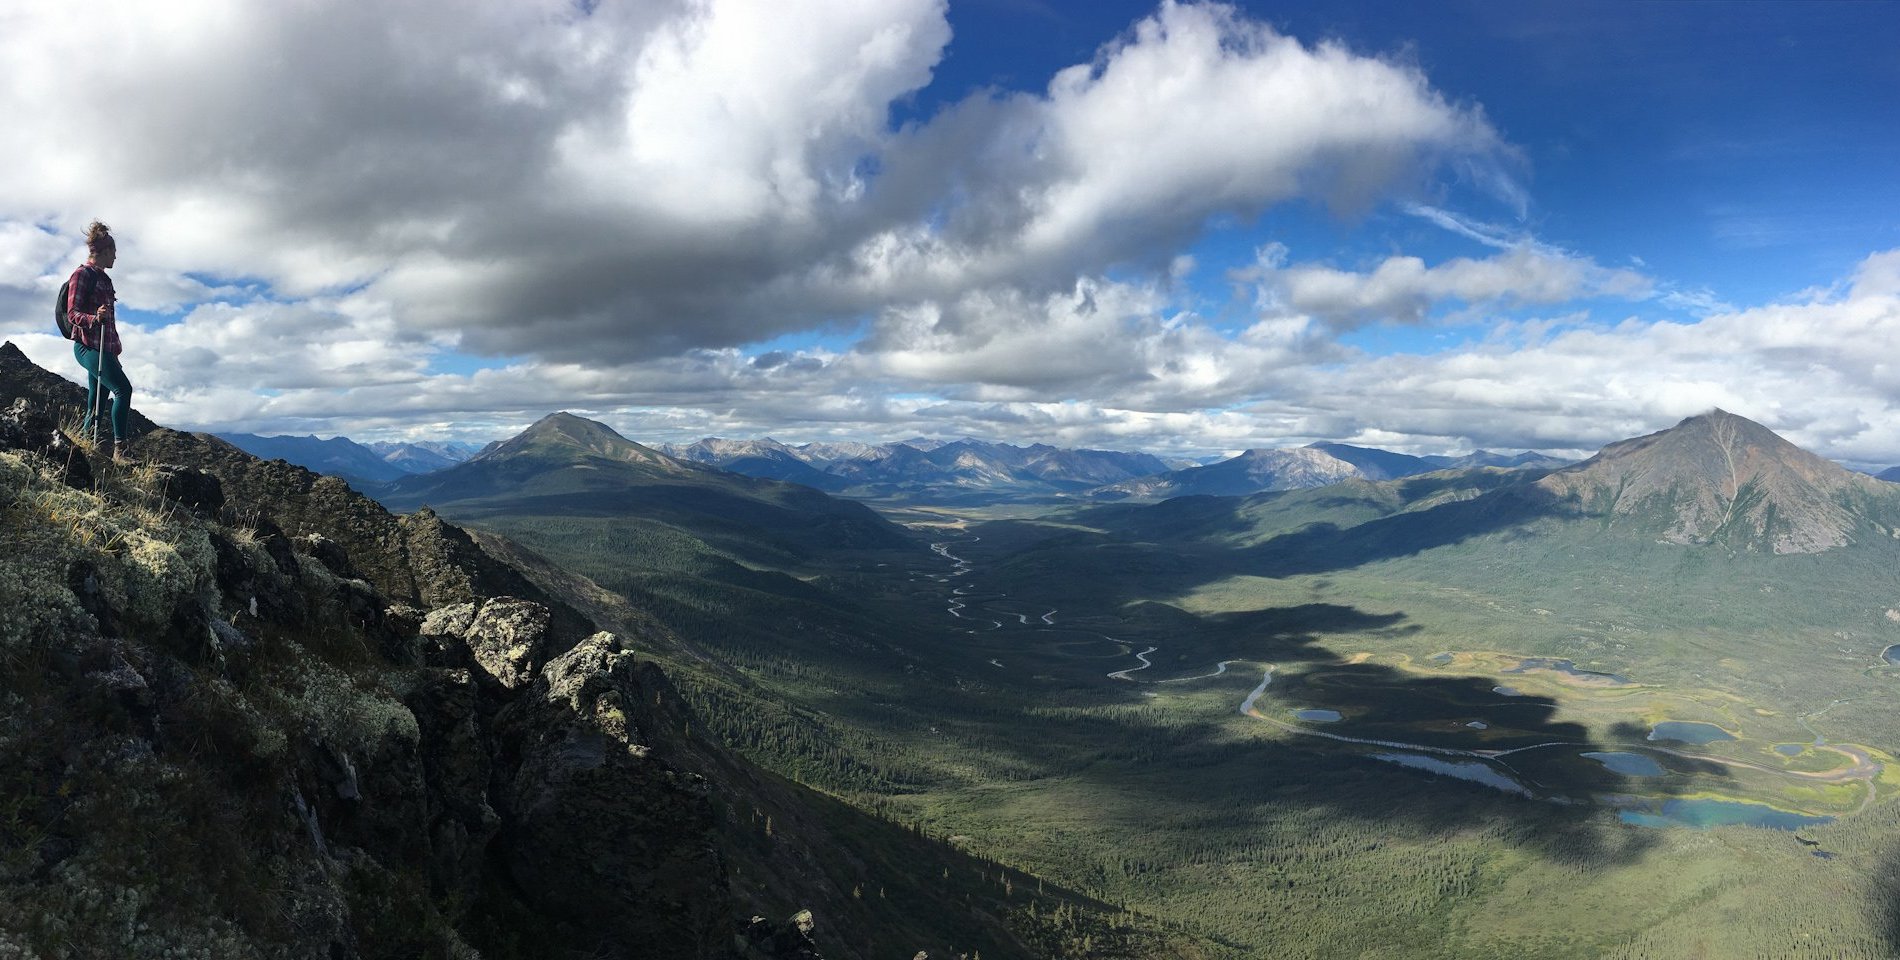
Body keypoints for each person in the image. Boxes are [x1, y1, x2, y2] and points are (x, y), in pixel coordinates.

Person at [66, 220, 133, 459]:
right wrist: (94, 318)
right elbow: (72, 313)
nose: (115, 257)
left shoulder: (105, 279)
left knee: (97, 401)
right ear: (103, 252)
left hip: (105, 348)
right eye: (113, 252)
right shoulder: (81, 275)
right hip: (87, 346)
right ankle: (120, 449)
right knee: (123, 389)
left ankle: (82, 448)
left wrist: (114, 350)